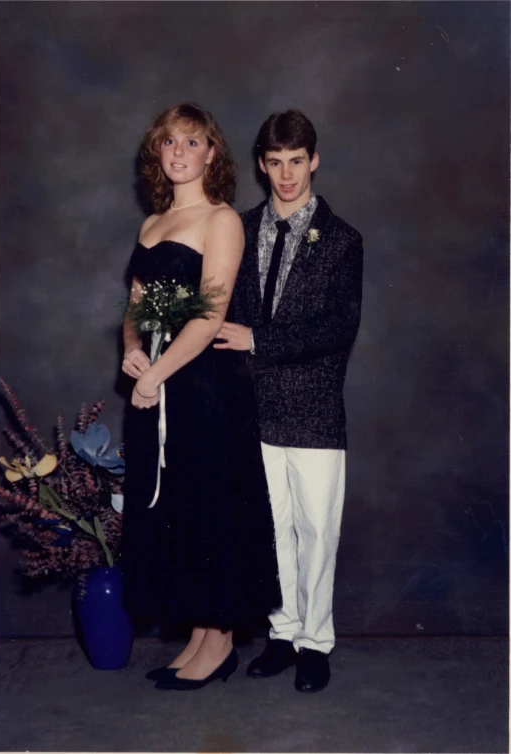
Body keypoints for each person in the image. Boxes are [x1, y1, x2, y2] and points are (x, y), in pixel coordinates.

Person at [120, 103, 280, 691]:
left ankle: (220, 643)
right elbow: (136, 309)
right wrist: (132, 351)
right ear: (157, 153)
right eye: (169, 142)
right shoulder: (152, 223)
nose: (179, 152)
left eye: (192, 142)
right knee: (179, 509)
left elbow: (211, 314)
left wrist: (156, 373)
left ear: (212, 152)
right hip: (158, 381)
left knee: (210, 506)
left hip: (206, 386)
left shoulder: (222, 221)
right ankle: (199, 637)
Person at [215, 109, 363, 693]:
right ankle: (283, 633)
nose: (285, 175)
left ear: (314, 159)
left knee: (318, 531)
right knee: (270, 529)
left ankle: (316, 644)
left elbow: (339, 328)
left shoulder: (344, 239)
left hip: (316, 409)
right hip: (253, 407)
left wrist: (258, 339)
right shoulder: (239, 228)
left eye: (296, 161)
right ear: (261, 163)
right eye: (274, 163)